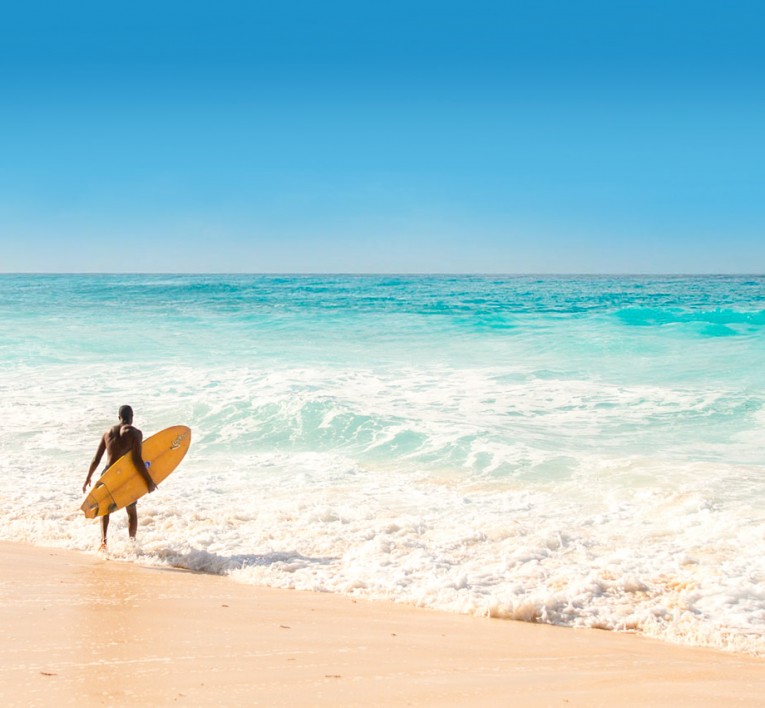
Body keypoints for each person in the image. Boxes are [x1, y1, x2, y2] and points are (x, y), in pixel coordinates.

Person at [82, 405, 157, 549]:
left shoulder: (107, 432)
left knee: (105, 509)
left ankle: (103, 541)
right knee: (131, 511)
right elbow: (136, 460)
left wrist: (88, 477)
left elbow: (96, 459)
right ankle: (131, 544)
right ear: (132, 417)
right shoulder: (135, 433)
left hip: (108, 473)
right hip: (125, 477)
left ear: (119, 417)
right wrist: (149, 481)